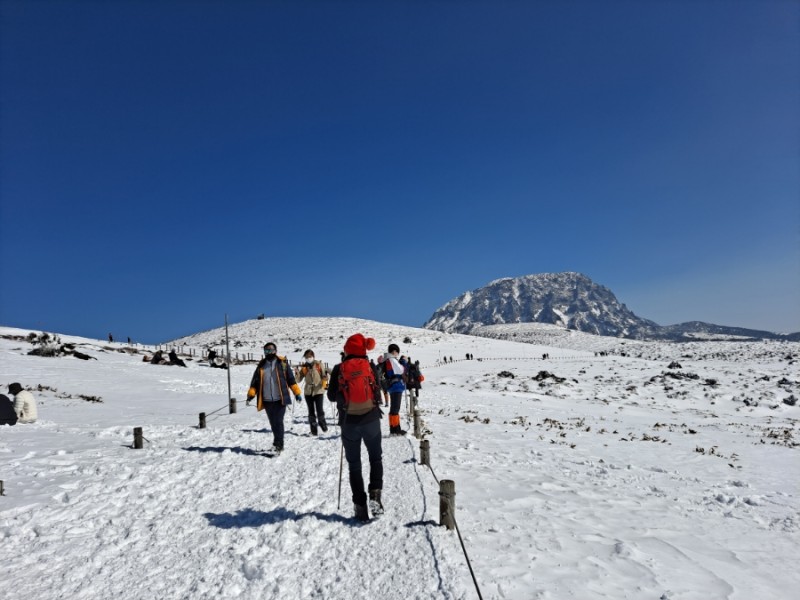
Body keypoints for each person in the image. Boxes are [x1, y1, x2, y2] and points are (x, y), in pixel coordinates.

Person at [327, 333, 384, 522]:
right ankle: (375, 497)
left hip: (349, 423)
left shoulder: (339, 368)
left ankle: (360, 508)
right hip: (372, 420)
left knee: (354, 466)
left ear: (347, 350)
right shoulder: (370, 366)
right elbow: (379, 387)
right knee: (375, 459)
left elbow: (331, 396)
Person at [246, 342, 302, 453]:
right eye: (266, 350)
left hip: (280, 399)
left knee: (278, 421)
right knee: (273, 423)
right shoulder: (261, 366)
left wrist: (297, 393)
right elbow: (255, 383)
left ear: (275, 351)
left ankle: (278, 445)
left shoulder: (282, 364)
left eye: (271, 350)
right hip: (267, 400)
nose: (269, 352)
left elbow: (291, 380)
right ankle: (277, 443)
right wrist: (251, 394)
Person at [296, 349, 329, 436]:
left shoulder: (319, 364)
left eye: (309, 356)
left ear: (313, 356)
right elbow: (298, 380)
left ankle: (323, 424)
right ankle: (313, 430)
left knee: (319, 410)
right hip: (308, 392)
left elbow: (324, 375)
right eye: (306, 357)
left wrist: (325, 378)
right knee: (311, 411)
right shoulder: (304, 367)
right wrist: (297, 374)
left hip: (318, 390)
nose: (308, 358)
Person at [382, 343, 407, 435]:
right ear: (394, 351)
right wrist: (404, 362)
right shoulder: (392, 359)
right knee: (395, 408)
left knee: (394, 408)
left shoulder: (387, 359)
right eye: (397, 352)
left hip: (392, 386)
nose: (397, 354)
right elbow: (401, 370)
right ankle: (396, 430)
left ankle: (394, 428)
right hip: (396, 386)